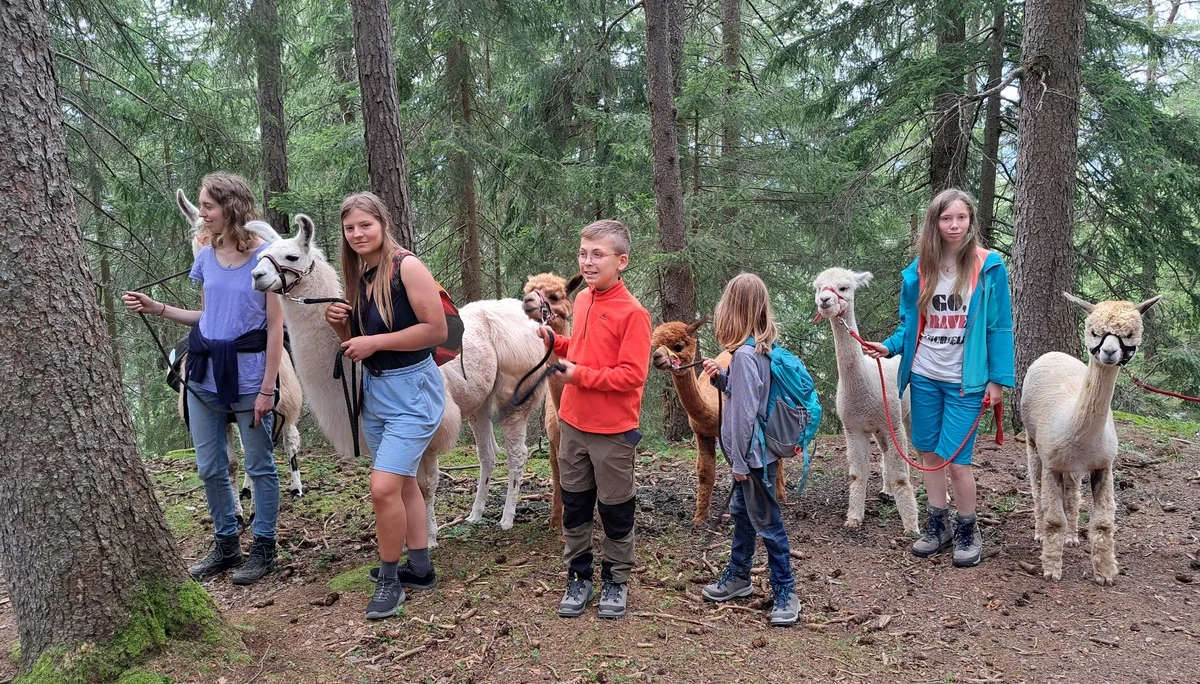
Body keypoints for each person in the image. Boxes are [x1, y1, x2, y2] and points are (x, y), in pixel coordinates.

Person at [123, 173, 284, 585]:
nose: (203, 215)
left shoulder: (266, 258)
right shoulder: (206, 256)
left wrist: (268, 388)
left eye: (208, 206)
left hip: (249, 376)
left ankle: (264, 546)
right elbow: (208, 317)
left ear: (230, 207)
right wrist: (156, 307)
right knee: (211, 466)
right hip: (203, 372)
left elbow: (274, 329)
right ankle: (227, 543)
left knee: (260, 465)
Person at [861, 188, 1015, 567]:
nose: (954, 225)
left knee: (957, 461)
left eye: (961, 218)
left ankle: (967, 529)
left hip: (967, 380)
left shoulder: (989, 266)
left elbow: (999, 327)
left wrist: (997, 381)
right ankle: (938, 524)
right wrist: (891, 347)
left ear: (970, 221)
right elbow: (912, 323)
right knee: (929, 454)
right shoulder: (920, 270)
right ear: (935, 222)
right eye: (947, 218)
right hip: (926, 375)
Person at [324, 192, 447, 620]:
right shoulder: (361, 273)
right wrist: (344, 330)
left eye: (365, 225)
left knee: (382, 489)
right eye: (350, 228)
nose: (357, 234)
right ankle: (421, 568)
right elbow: (363, 350)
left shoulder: (405, 266)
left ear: (384, 224)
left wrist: (374, 340)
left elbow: (436, 330)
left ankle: (391, 580)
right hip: (377, 393)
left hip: (413, 391)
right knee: (403, 483)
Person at [536, 219, 652, 620]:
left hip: (613, 432)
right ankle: (578, 576)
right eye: (583, 253)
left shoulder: (633, 313)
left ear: (621, 261)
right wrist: (556, 342)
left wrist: (577, 375)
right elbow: (583, 350)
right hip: (573, 423)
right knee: (575, 503)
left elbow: (632, 375)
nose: (587, 262)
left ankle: (616, 581)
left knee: (616, 508)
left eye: (597, 254)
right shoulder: (584, 300)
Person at [698, 273, 801, 627]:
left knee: (769, 524)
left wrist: (740, 463)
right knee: (743, 515)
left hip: (752, 458)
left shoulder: (743, 356)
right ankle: (739, 577)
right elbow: (752, 397)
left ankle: (786, 590)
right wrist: (721, 380)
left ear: (733, 310)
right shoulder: (760, 349)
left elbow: (743, 416)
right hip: (762, 453)